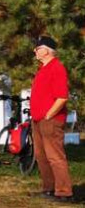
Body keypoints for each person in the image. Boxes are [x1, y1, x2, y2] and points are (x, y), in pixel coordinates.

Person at [30, 36, 73, 202]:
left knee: (55, 156)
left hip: (50, 120)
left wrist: (48, 115)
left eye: (37, 48)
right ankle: (49, 188)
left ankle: (64, 192)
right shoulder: (42, 69)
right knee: (41, 155)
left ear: (46, 50)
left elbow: (62, 97)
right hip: (38, 120)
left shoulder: (57, 68)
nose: (35, 50)